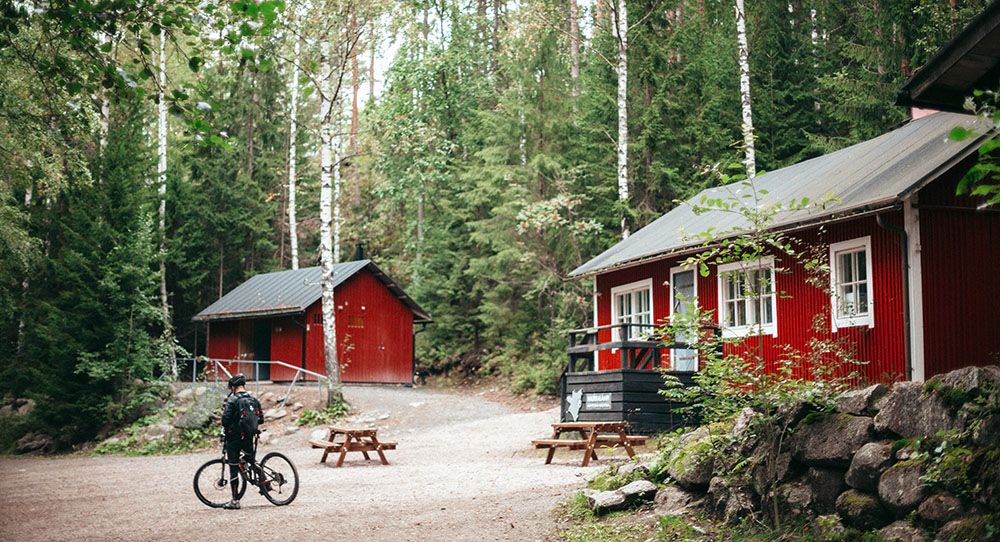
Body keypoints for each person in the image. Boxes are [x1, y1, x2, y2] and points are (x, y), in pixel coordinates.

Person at [220, 373, 264, 510]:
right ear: (243, 385)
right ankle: (265, 483)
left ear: (233, 387)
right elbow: (261, 419)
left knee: (233, 467)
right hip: (249, 436)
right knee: (251, 459)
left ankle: (234, 501)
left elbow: (225, 420)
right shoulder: (253, 399)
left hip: (234, 438)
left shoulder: (232, 400)